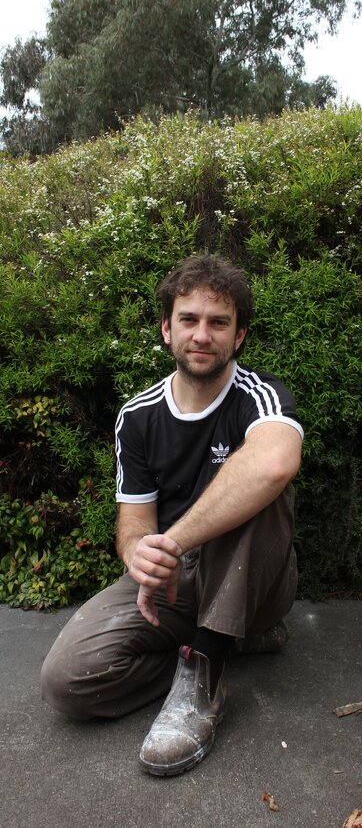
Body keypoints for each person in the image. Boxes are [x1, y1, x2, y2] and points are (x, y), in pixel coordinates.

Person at [41, 254, 303, 777]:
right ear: (166, 329)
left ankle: (203, 677)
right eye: (188, 320)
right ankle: (226, 647)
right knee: (65, 680)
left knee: (258, 486)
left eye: (218, 322)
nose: (201, 334)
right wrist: (141, 554)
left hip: (254, 579)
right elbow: (135, 520)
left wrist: (174, 541)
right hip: (177, 584)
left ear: (240, 335)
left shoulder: (261, 396)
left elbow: (274, 463)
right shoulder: (137, 416)